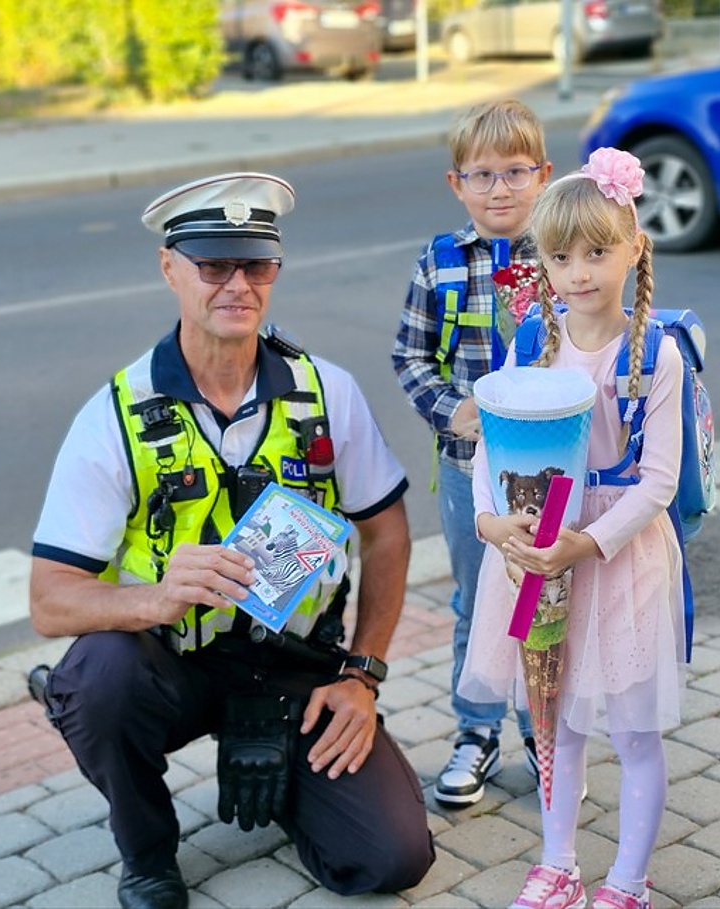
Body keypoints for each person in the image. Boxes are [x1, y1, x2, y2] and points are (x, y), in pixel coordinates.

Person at [28, 172, 435, 909]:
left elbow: (386, 533)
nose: (238, 285)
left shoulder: (326, 391)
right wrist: (155, 597)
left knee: (391, 858)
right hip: (170, 663)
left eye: (257, 265)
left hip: (295, 666)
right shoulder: (115, 414)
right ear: (169, 268)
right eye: (214, 265)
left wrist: (363, 675)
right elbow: (51, 601)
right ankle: (147, 853)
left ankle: (281, 764)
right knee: (99, 680)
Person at [459, 148, 688, 909]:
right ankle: (558, 864)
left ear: (634, 249)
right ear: (543, 263)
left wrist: (587, 542)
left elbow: (658, 481)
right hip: (532, 551)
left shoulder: (657, 356)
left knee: (633, 729)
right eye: (561, 257)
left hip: (617, 556)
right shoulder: (532, 341)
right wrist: (492, 524)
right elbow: (491, 446)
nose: (579, 272)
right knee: (553, 716)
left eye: (597, 252)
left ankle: (629, 880)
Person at [391, 99, 552, 807]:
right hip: (468, 471)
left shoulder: (563, 253)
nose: (500, 189)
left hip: (552, 471)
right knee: (475, 599)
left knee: (542, 599)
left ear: (543, 174)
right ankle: (476, 730)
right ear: (457, 185)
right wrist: (455, 410)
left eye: (516, 171)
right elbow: (410, 355)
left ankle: (543, 734)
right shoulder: (441, 261)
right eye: (482, 175)